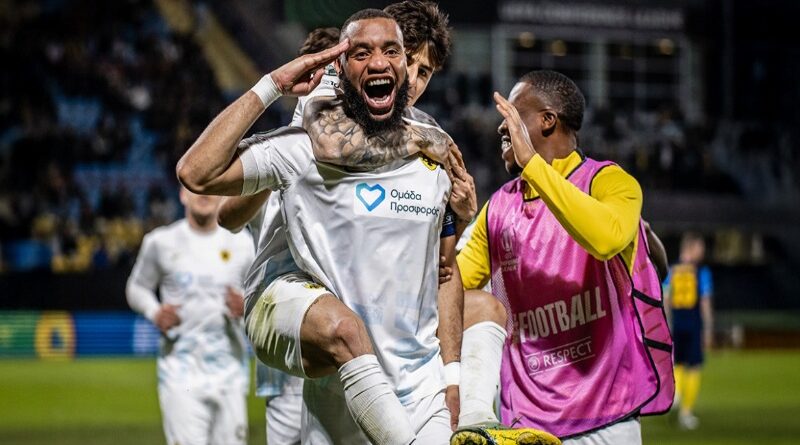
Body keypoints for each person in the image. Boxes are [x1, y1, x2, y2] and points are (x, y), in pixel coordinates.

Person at [177, 9, 462, 444]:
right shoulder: (305, 145)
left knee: (484, 307)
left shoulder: (434, 155)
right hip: (312, 338)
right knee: (344, 331)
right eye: (362, 53)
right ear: (339, 71)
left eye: (394, 53)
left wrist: (453, 378)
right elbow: (198, 175)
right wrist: (272, 85)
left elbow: (444, 270)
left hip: (419, 389)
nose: (381, 62)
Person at [454, 70, 675, 444]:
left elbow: (606, 239)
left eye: (512, 114)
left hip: (608, 418)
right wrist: (453, 224)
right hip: (525, 426)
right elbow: (449, 291)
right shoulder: (498, 210)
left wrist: (533, 165)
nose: (501, 127)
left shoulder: (608, 182)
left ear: (547, 120)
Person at [219, 26, 342, 445]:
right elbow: (228, 216)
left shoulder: (355, 159)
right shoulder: (281, 150)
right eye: (319, 75)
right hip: (284, 355)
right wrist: (281, 169)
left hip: (336, 342)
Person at [126, 187, 254, 445]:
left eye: (211, 187)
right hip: (180, 374)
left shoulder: (243, 243)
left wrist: (248, 305)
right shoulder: (160, 242)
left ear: (222, 194)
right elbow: (136, 288)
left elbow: (261, 295)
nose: (204, 194)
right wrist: (154, 312)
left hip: (230, 374)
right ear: (182, 194)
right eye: (196, 186)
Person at [663, 232, 713, 430]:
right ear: (691, 247)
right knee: (694, 366)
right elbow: (705, 302)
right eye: (700, 247)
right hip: (693, 325)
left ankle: (676, 393)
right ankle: (686, 413)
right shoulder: (701, 271)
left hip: (676, 324)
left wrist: (666, 324)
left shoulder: (671, 270)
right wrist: (708, 328)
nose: (703, 251)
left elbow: (665, 299)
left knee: (678, 363)